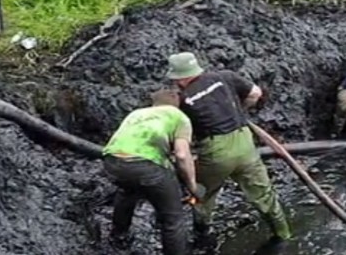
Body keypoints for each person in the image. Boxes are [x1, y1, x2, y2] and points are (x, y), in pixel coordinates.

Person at [166, 52, 292, 249]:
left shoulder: (182, 99)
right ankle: (282, 233)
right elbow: (255, 93)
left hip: (215, 151)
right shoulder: (225, 76)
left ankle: (203, 238)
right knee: (264, 194)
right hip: (245, 142)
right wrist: (241, 111)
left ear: (180, 77)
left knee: (203, 194)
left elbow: (181, 132)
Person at [102, 89, 201, 255]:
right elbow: (182, 156)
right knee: (173, 218)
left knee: (127, 191)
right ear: (176, 102)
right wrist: (192, 186)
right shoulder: (178, 116)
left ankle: (118, 237)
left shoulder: (136, 114)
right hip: (145, 165)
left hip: (112, 162)